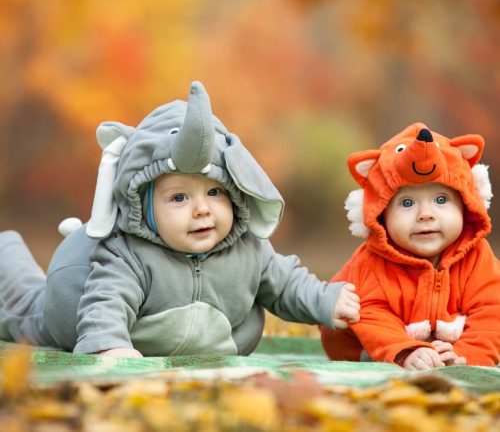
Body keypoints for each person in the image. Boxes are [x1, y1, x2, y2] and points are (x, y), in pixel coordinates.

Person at [0, 81, 360, 357]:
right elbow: (105, 300)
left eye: (215, 192)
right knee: (23, 312)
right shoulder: (127, 253)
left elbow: (287, 285)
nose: (201, 209)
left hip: (203, 343)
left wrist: (326, 301)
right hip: (69, 316)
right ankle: (6, 253)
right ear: (146, 207)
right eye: (179, 197)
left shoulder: (250, 250)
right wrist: (107, 346)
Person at [320, 122, 500, 369]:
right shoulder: (371, 263)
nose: (425, 214)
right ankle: (384, 358)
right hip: (363, 345)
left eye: (440, 199)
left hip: (448, 342)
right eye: (407, 203)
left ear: (466, 205)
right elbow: (371, 313)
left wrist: (468, 354)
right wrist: (405, 351)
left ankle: (445, 353)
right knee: (354, 313)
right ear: (381, 213)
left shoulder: (477, 256)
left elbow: (492, 310)